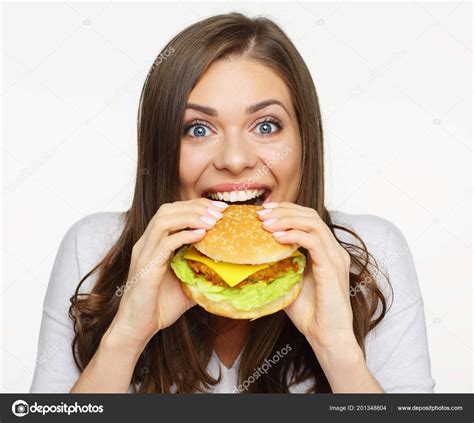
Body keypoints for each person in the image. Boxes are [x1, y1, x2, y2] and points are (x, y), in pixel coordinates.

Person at [30, 13, 435, 393]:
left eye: (265, 125)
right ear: (160, 146)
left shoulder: (371, 253)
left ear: (305, 140)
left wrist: (337, 349)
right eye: (198, 128)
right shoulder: (95, 247)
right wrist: (125, 338)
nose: (235, 160)